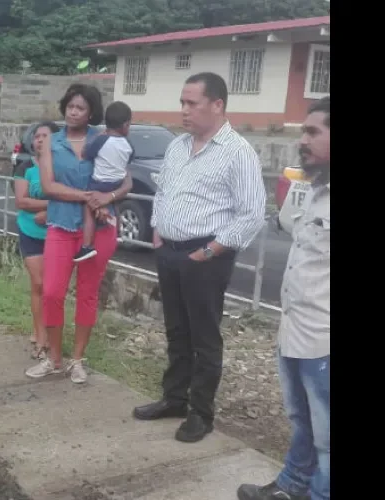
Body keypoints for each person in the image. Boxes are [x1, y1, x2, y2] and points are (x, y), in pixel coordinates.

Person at [132, 72, 266, 443]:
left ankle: (201, 413)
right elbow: (163, 192)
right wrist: (158, 229)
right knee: (176, 329)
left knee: (203, 336)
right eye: (182, 103)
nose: (185, 111)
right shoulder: (177, 147)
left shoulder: (237, 152)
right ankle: (174, 398)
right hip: (170, 251)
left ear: (218, 105)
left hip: (207, 254)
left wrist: (209, 251)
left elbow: (252, 213)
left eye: (193, 103)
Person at [237, 97, 330, 500]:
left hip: (325, 340)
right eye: (302, 132)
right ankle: (292, 486)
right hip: (295, 329)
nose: (302, 141)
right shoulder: (315, 189)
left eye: (313, 132)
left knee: (328, 434)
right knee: (302, 420)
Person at [24, 83, 132, 384]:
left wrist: (107, 199)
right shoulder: (50, 143)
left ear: (91, 112)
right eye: (70, 106)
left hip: (98, 231)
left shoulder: (104, 139)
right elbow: (49, 187)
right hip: (60, 227)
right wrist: (87, 197)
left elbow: (126, 182)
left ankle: (77, 360)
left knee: (87, 294)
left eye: (81, 107)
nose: (74, 112)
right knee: (51, 292)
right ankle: (54, 358)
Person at [14, 121, 58, 360]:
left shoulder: (60, 167)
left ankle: (44, 330)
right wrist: (54, 204)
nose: (40, 140)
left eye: (45, 136)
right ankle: (41, 339)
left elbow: (72, 197)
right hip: (30, 231)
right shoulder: (24, 167)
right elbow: (21, 202)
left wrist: (51, 213)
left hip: (57, 233)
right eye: (37, 136)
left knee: (51, 288)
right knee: (39, 284)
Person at [74, 101, 135, 262]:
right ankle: (119, 234)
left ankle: (87, 246)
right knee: (115, 205)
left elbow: (86, 153)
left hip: (99, 182)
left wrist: (97, 138)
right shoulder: (128, 145)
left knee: (88, 208)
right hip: (117, 182)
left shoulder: (101, 141)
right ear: (126, 124)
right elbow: (129, 158)